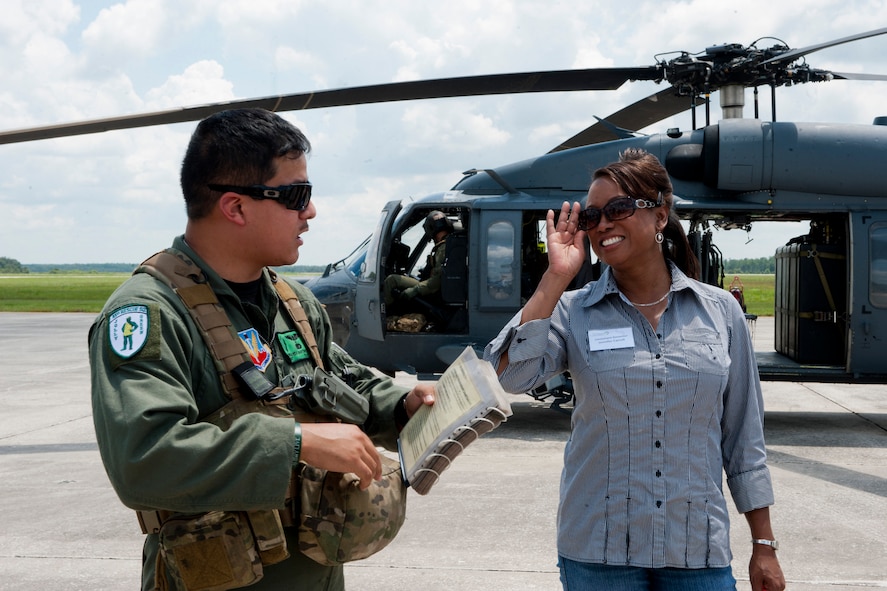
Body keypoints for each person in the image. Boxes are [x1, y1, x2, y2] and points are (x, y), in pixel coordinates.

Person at [89, 108, 435, 591]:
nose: (309, 212)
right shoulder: (150, 313)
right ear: (235, 206)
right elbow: (144, 460)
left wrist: (403, 404)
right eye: (296, 195)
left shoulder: (290, 301)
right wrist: (298, 443)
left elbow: (337, 380)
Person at [484, 149, 785, 591]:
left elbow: (744, 438)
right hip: (599, 550)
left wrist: (764, 543)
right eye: (591, 216)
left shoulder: (720, 312)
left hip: (695, 549)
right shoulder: (574, 310)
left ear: (660, 216)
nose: (603, 223)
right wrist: (556, 277)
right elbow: (509, 375)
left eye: (618, 209)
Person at [382, 210, 453, 307]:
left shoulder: (443, 248)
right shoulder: (450, 244)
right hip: (432, 286)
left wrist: (415, 290)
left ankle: (389, 312)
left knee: (391, 280)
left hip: (433, 290)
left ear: (430, 228)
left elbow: (437, 280)